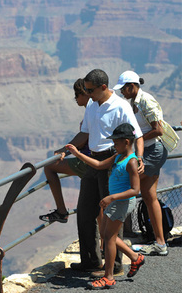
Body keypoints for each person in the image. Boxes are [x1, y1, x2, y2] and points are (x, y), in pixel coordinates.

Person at [55, 69, 144, 274]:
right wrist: (65, 149)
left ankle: (118, 265)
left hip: (112, 161)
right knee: (85, 211)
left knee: (111, 214)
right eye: (85, 89)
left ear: (103, 87)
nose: (86, 93)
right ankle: (90, 261)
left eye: (90, 89)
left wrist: (138, 158)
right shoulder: (92, 106)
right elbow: (85, 132)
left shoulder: (120, 106)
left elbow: (136, 135)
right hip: (93, 161)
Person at [67, 123, 145, 290]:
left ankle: (108, 277)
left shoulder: (131, 162)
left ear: (126, 142)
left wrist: (111, 197)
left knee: (108, 238)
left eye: (116, 142)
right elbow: (98, 165)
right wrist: (78, 154)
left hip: (121, 202)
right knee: (106, 234)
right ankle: (134, 256)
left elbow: (135, 190)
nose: (113, 145)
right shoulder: (117, 157)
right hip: (115, 202)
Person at [113, 71, 168, 255]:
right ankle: (160, 243)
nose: (122, 92)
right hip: (150, 150)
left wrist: (139, 139)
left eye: (123, 89)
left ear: (131, 86)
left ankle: (113, 238)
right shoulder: (134, 101)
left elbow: (158, 129)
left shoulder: (145, 101)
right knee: (148, 195)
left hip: (153, 151)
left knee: (125, 186)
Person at [39, 78, 91, 223]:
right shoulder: (97, 107)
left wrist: (64, 150)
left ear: (85, 93)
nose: (75, 98)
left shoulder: (91, 109)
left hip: (87, 161)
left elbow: (85, 136)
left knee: (49, 166)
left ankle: (61, 211)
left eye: (77, 93)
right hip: (92, 159)